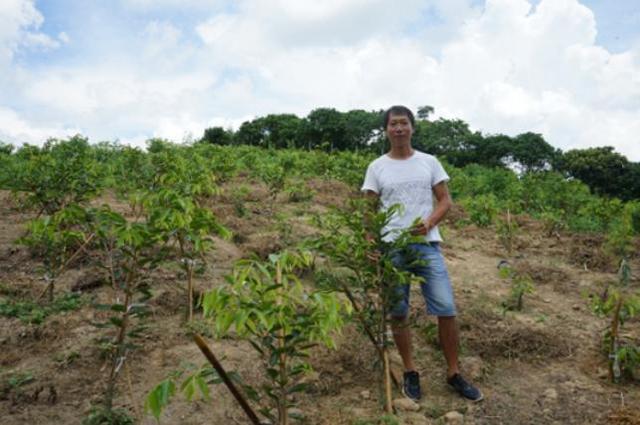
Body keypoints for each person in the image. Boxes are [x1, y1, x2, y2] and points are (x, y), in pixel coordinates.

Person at [361, 105, 482, 402]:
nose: (399, 128)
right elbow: (368, 211)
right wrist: (370, 245)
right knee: (398, 311)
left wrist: (429, 222)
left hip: (427, 245)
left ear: (412, 128)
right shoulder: (377, 167)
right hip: (392, 247)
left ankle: (453, 373)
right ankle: (410, 371)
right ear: (386, 130)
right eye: (393, 124)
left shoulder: (429, 162)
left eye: (404, 123)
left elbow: (444, 200)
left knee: (446, 307)